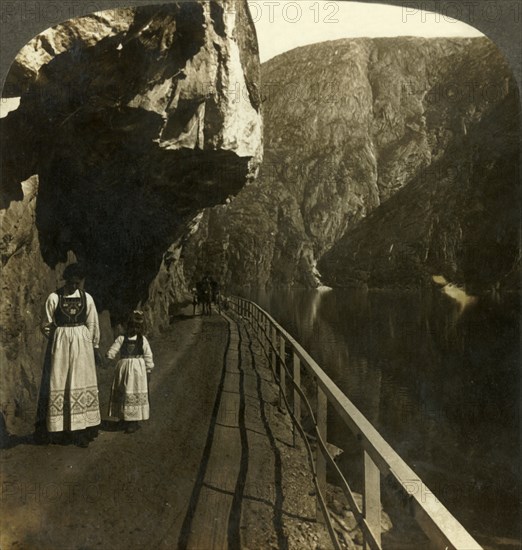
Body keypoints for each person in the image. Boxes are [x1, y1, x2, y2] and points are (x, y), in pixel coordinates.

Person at [41, 263, 102, 448]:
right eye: (71, 283)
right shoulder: (54, 297)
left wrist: (93, 345)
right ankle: (62, 429)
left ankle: (82, 429)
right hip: (61, 346)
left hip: (82, 346)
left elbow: (92, 323)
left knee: (80, 381)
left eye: (77, 283)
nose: (74, 286)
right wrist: (60, 338)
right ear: (66, 280)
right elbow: (46, 324)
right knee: (61, 381)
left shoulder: (87, 298)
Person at [105, 311, 154, 434]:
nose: (135, 329)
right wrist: (108, 357)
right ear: (128, 325)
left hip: (138, 371)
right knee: (124, 391)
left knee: (134, 391)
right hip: (124, 369)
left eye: (138, 327)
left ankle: (133, 421)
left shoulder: (143, 340)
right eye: (132, 326)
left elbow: (148, 355)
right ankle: (123, 418)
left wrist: (148, 370)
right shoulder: (121, 338)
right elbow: (114, 349)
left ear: (141, 328)